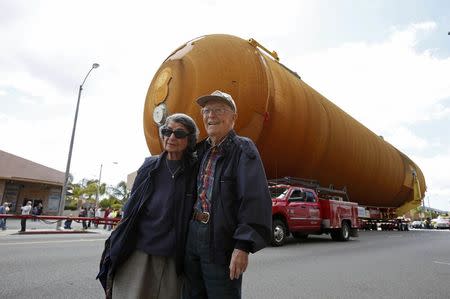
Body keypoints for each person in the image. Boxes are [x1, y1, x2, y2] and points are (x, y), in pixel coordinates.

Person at [97, 113, 199, 299]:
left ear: (190, 139)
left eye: (179, 134)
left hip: (174, 254)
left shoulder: (195, 170)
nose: (171, 137)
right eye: (167, 131)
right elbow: (133, 205)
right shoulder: (149, 166)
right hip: (140, 249)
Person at [183, 90, 272, 299]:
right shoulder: (199, 151)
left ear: (233, 118)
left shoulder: (243, 149)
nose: (211, 115)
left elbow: (254, 199)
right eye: (206, 110)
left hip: (220, 242)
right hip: (192, 236)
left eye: (219, 110)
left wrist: (242, 246)